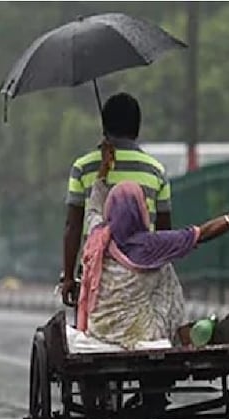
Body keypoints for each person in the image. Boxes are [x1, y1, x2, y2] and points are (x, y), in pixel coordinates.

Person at [75, 164, 229, 419]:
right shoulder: (153, 245)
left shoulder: (96, 235)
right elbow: (207, 231)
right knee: (165, 270)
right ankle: (178, 336)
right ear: (141, 211)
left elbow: (91, 208)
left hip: (101, 331)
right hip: (143, 334)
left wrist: (102, 176)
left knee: (160, 270)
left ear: (110, 214)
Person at [62, 92, 171, 308]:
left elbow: (72, 227)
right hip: (141, 275)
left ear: (104, 126)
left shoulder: (83, 168)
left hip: (95, 277)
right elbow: (164, 232)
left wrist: (68, 277)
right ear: (137, 128)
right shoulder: (156, 171)